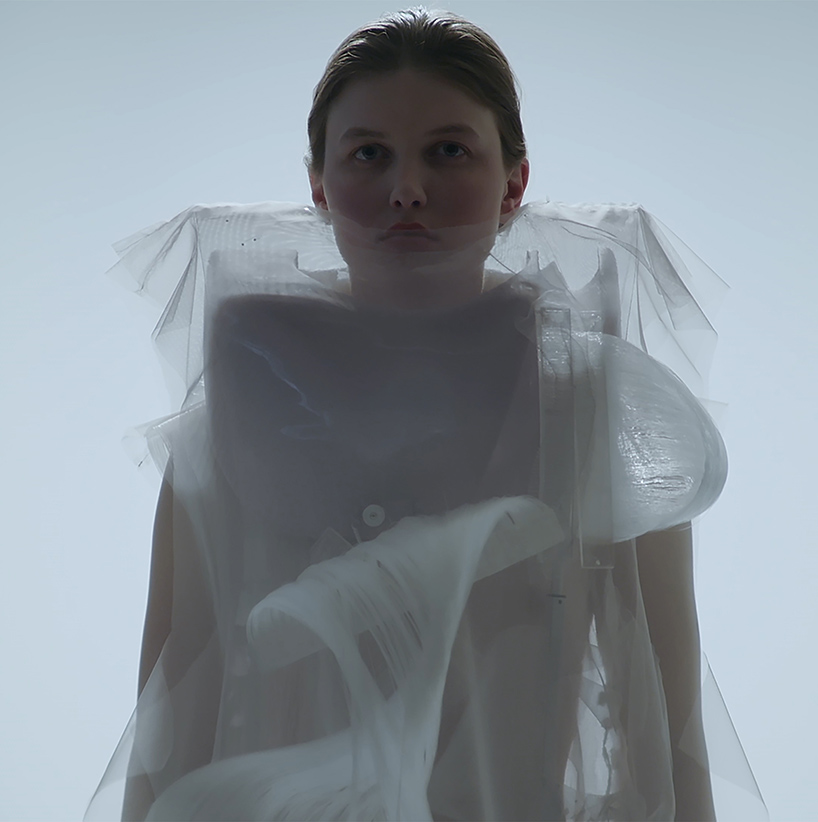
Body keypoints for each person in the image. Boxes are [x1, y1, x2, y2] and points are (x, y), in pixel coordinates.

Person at [86, 9, 742, 821]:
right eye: (369, 153)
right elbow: (176, 706)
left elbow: (668, 709)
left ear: (514, 185)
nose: (407, 190)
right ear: (320, 187)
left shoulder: (596, 404)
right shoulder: (238, 413)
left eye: (448, 150)